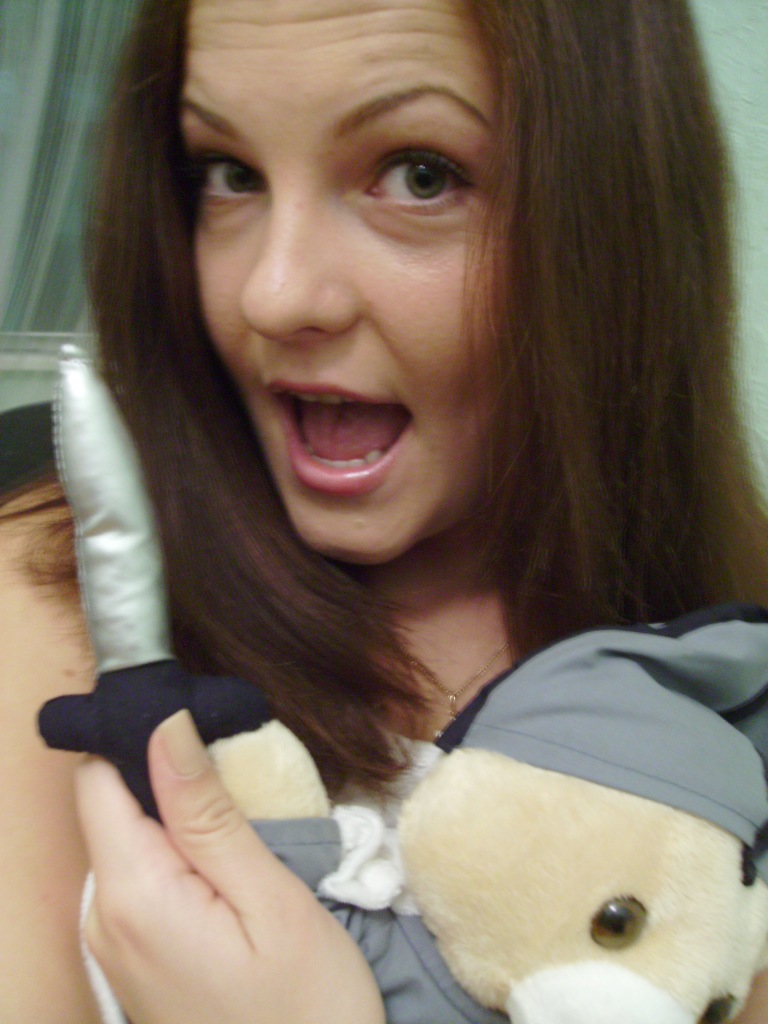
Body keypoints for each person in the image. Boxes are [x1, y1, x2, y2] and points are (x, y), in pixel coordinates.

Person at [1, 0, 767, 1020]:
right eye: (229, 174)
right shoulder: (51, 608)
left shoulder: (738, 651)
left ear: (621, 220)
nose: (273, 295)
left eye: (419, 175)